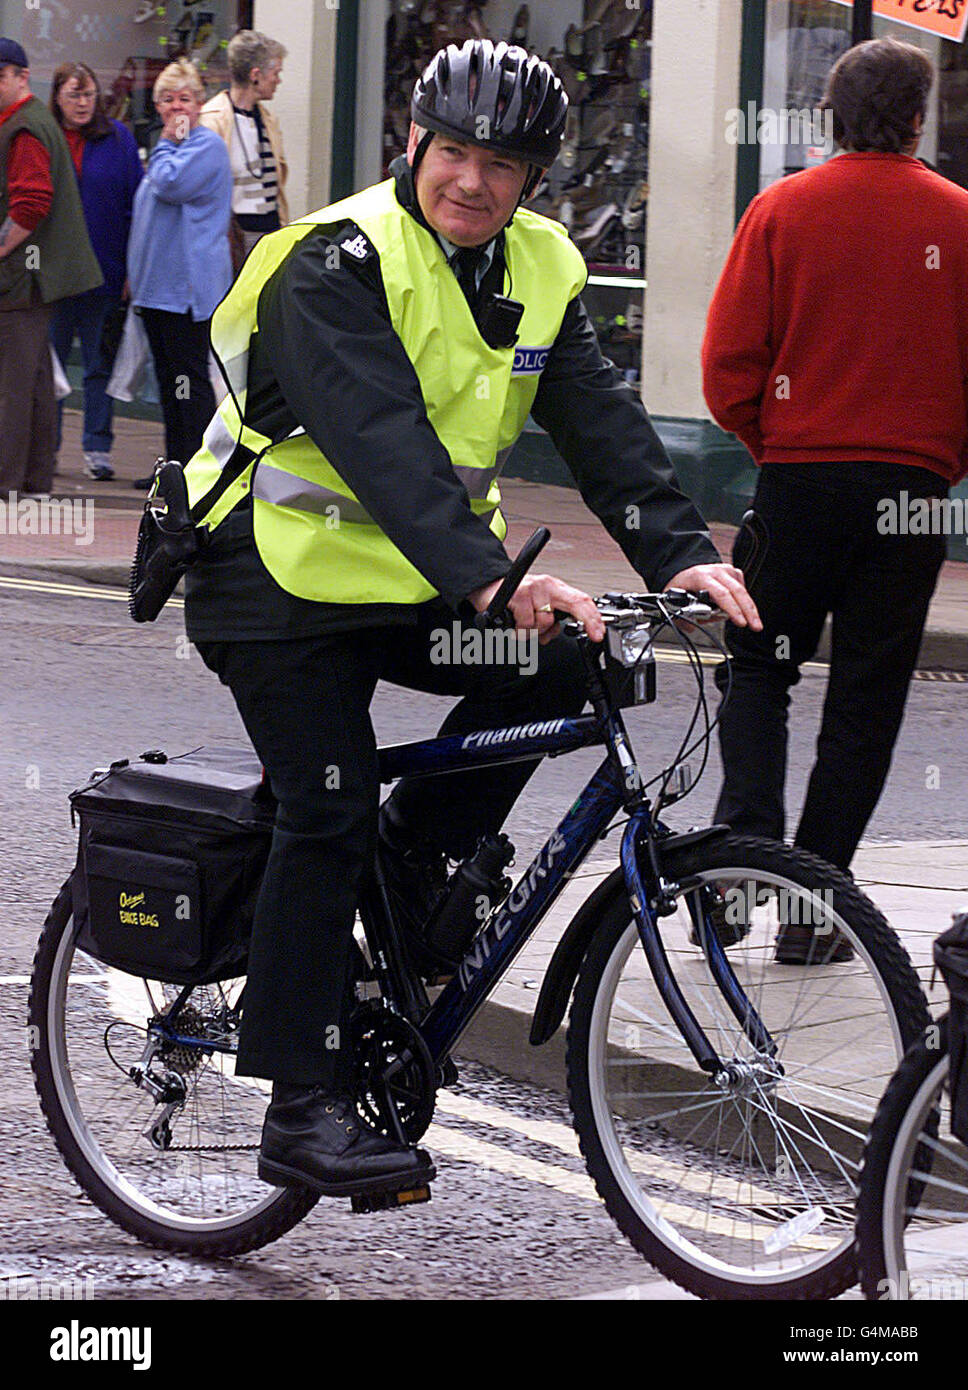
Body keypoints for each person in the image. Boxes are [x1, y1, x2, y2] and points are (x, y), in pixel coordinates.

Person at [181, 40, 760, 1198]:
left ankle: (405, 876)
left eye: (503, 163)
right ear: (414, 144)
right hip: (270, 579)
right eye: (455, 152)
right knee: (327, 803)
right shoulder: (332, 259)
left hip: (411, 586)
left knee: (568, 661)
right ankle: (298, 1104)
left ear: (534, 176)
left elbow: (598, 421)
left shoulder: (541, 263)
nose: (473, 182)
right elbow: (379, 436)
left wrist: (683, 556)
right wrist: (491, 577)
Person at [702, 37, 968, 962]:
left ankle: (737, 874)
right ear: (916, 115)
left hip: (800, 478)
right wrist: (940, 464)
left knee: (758, 668)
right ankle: (816, 913)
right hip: (914, 492)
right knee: (867, 694)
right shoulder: (960, 219)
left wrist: (775, 445)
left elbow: (727, 367)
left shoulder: (783, 210)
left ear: (828, 111)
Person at [0, 38, 101, 497]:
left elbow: (29, 204)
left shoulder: (24, 128)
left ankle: (7, 484)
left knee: (11, 387)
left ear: (22, 77)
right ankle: (34, 481)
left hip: (22, 279)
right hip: (34, 277)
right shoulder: (30, 121)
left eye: (1, 75)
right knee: (35, 380)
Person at [126, 58, 231, 487]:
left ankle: (198, 473)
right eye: (167, 99)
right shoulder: (167, 149)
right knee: (169, 386)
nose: (176, 108)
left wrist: (166, 144)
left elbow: (171, 184)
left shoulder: (204, 148)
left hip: (187, 293)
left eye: (184, 99)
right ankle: (174, 470)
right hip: (155, 291)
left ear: (200, 104)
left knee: (189, 384)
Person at [48, 62, 142, 481]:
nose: (82, 104)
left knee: (98, 364)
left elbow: (134, 204)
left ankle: (98, 448)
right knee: (47, 368)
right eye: (73, 95)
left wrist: (130, 270)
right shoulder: (47, 138)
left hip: (104, 271)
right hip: (54, 276)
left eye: (88, 95)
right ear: (58, 99)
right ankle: (44, 450)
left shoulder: (118, 138)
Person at [199, 29, 288, 267]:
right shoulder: (211, 120)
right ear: (255, 75)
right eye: (276, 73)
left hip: (270, 235)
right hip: (234, 240)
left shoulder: (268, 120)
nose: (278, 80)